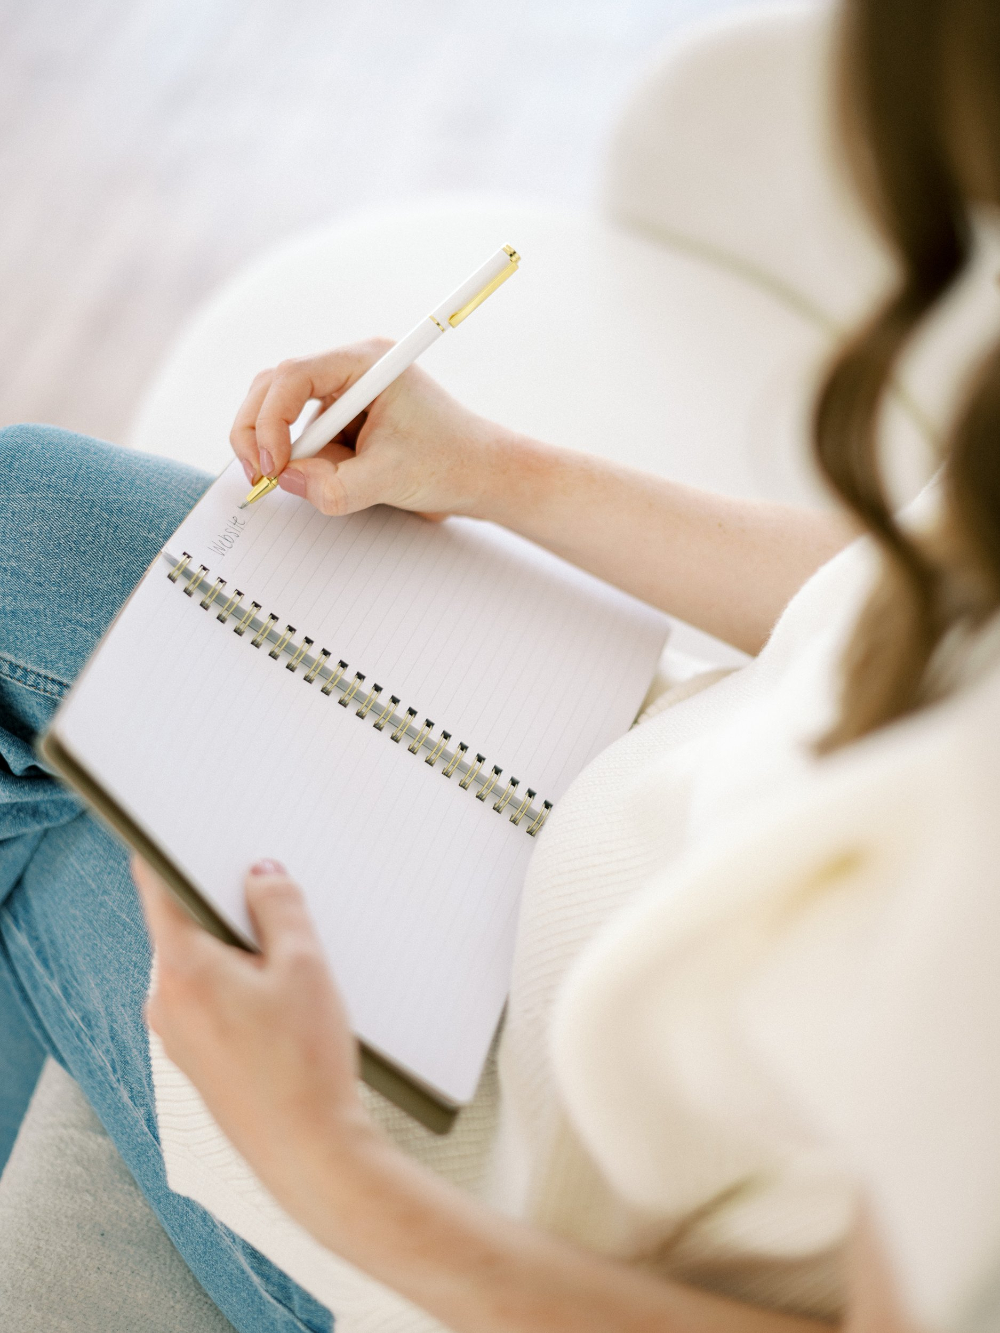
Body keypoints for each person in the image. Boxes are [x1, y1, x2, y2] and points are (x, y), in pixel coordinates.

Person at [2, 0, 999, 1328]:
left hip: (489, 1213)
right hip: (579, 804)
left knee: (39, 805)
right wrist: (491, 471)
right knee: (21, 514)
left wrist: (330, 1172)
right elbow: (904, 600)